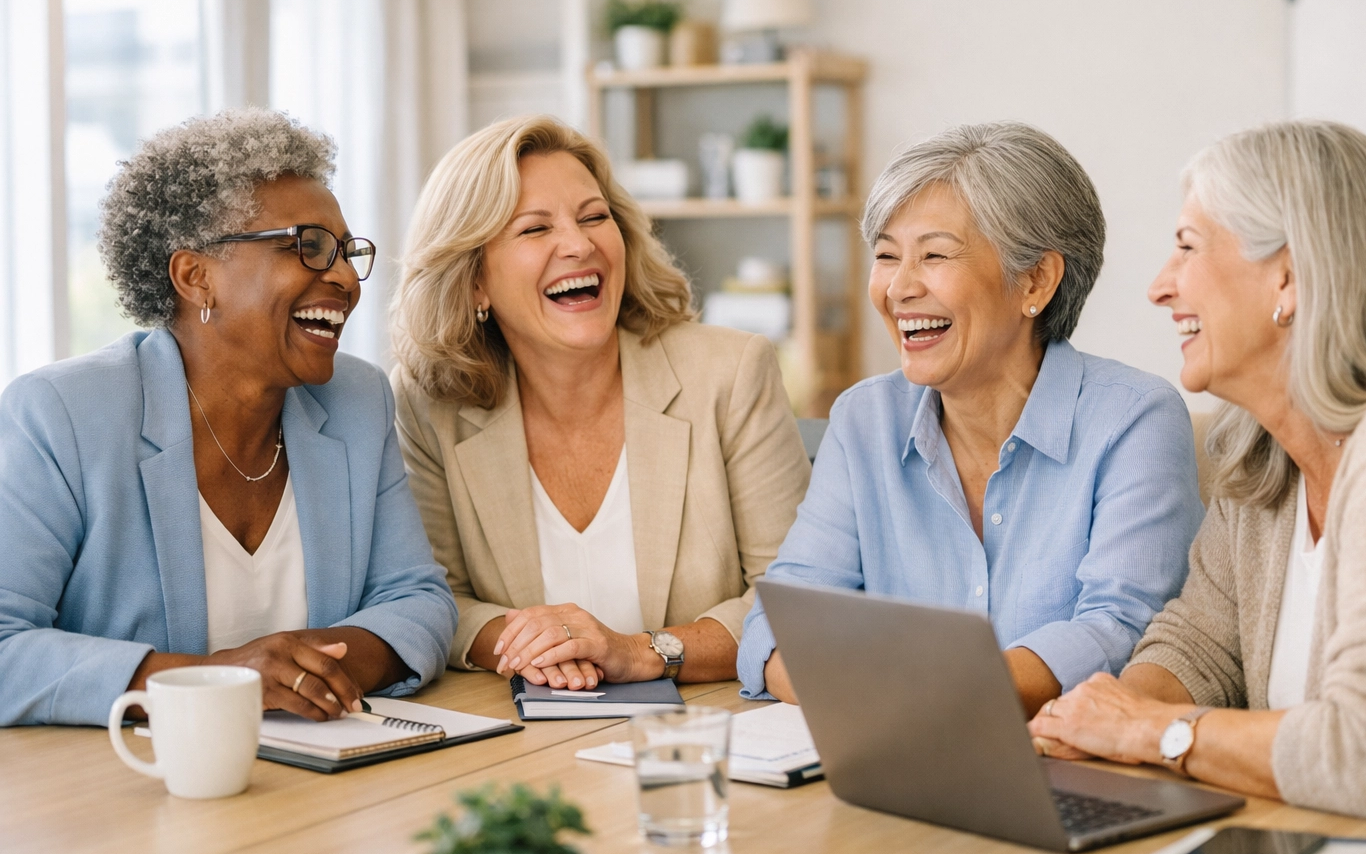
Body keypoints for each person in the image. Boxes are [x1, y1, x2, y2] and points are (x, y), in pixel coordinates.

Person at [1028, 121, 1366, 818]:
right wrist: (1098, 722)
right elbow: (1201, 644)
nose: (1158, 287)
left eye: (1186, 247)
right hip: (1322, 853)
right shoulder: (1266, 456)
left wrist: (1152, 732)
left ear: (1288, 276)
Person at [0, 109, 457, 727]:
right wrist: (225, 681)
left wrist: (307, 674)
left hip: (323, 779)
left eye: (348, 253)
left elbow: (417, 598)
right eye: (311, 247)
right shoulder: (62, 415)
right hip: (128, 789)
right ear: (196, 276)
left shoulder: (356, 400)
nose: (347, 279)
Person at [736, 122, 1205, 714]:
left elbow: (1125, 629)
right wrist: (861, 702)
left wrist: (930, 691)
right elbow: (779, 622)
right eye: (886, 256)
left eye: (933, 255)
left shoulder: (1135, 418)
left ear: (1035, 280)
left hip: (1068, 764)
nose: (899, 288)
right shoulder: (864, 419)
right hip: (889, 752)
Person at [390, 115, 809, 691]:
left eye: (594, 217)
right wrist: (534, 644)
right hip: (522, 738)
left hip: (709, 731)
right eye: (535, 229)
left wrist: (639, 653)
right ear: (474, 282)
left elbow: (795, 597)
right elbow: (434, 597)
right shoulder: (428, 404)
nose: (580, 244)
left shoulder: (730, 373)